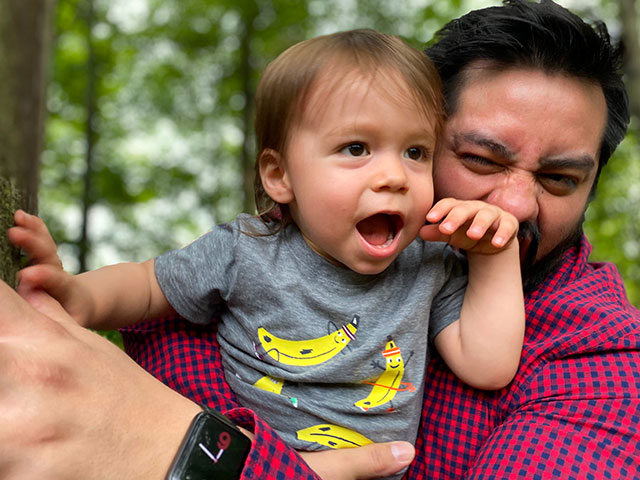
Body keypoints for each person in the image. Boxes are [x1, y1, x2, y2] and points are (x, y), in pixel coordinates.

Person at [0, 0, 638, 479]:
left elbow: (491, 363)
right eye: (480, 159)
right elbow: (151, 305)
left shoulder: (599, 348)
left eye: (559, 178)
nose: (516, 204)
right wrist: (74, 299)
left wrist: (200, 451)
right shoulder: (249, 254)